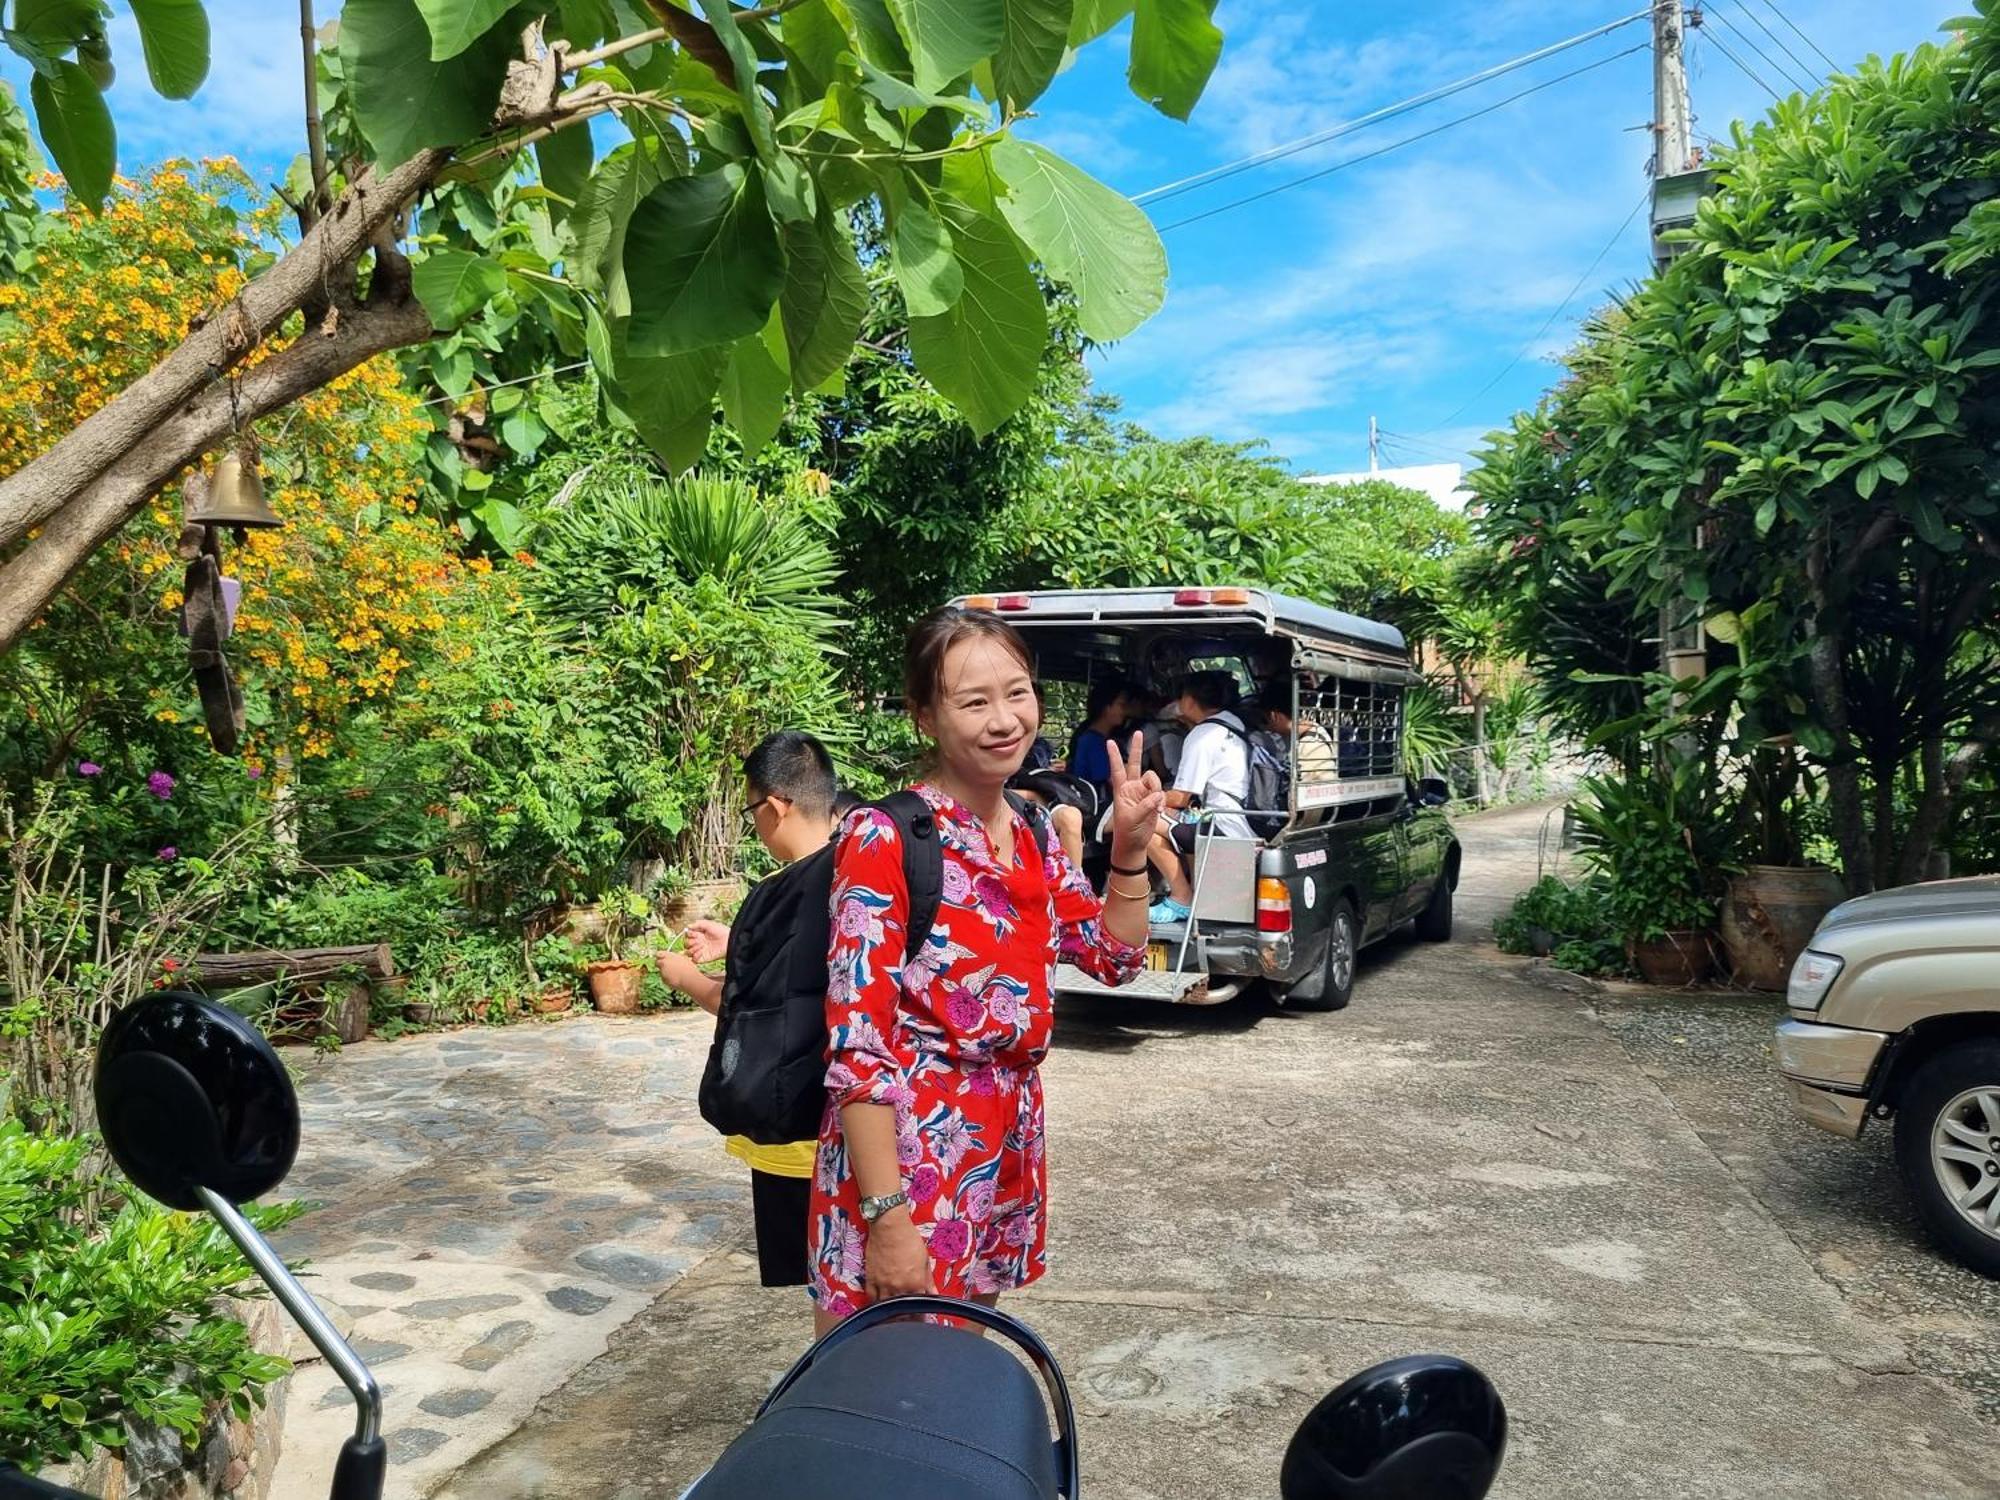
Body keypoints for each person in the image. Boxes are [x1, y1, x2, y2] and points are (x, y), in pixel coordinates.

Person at [811, 606, 1163, 1334]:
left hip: (1005, 1143)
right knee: (881, 1392)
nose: (1006, 719)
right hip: (911, 1160)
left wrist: (1127, 851)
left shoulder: (1031, 829)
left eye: (1018, 692)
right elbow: (857, 1049)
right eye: (974, 702)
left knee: (958, 1385)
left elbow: (1115, 956)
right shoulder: (883, 836)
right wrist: (886, 1219)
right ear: (925, 717)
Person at [657, 730, 841, 1290]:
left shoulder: (777, 894)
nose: (756, 826)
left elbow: (754, 1012)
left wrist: (687, 978)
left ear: (777, 807)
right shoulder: (857, 869)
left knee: (823, 1283)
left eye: (752, 811)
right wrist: (736, 941)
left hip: (796, 1132)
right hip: (854, 1120)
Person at [1142, 670, 1252, 923]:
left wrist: (1146, 796)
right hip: (1241, 823)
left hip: (1219, 828)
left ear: (1189, 701)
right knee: (1176, 821)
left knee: (1138, 824)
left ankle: (1182, 897)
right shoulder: (1235, 724)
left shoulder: (1202, 736)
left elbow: (1180, 797)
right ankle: (1189, 891)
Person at [1066, 678, 1136, 790]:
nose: (1125, 711)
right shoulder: (1092, 742)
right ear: (1106, 707)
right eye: (1121, 705)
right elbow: (1114, 782)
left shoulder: (1098, 738)